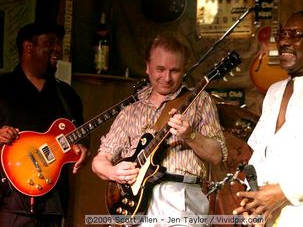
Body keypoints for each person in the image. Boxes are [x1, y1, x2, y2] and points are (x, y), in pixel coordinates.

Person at [92, 33, 227, 226]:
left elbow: (217, 155)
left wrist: (190, 135)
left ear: (184, 70)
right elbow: (99, 161)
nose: (167, 78)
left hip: (180, 197)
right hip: (135, 204)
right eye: (160, 69)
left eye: (175, 71)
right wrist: (113, 172)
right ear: (147, 67)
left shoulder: (199, 100)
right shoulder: (131, 110)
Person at [232, 10, 303, 227]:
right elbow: (258, 152)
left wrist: (282, 193)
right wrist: (255, 200)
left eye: (295, 35)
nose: (285, 41)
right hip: (274, 215)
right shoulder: (275, 91)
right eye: (282, 34)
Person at [0, 22, 89, 226]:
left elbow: (81, 138)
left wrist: (82, 149)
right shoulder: (2, 87)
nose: (57, 48)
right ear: (28, 47)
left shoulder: (67, 96)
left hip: (53, 205)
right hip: (9, 203)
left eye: (58, 43)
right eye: (50, 42)